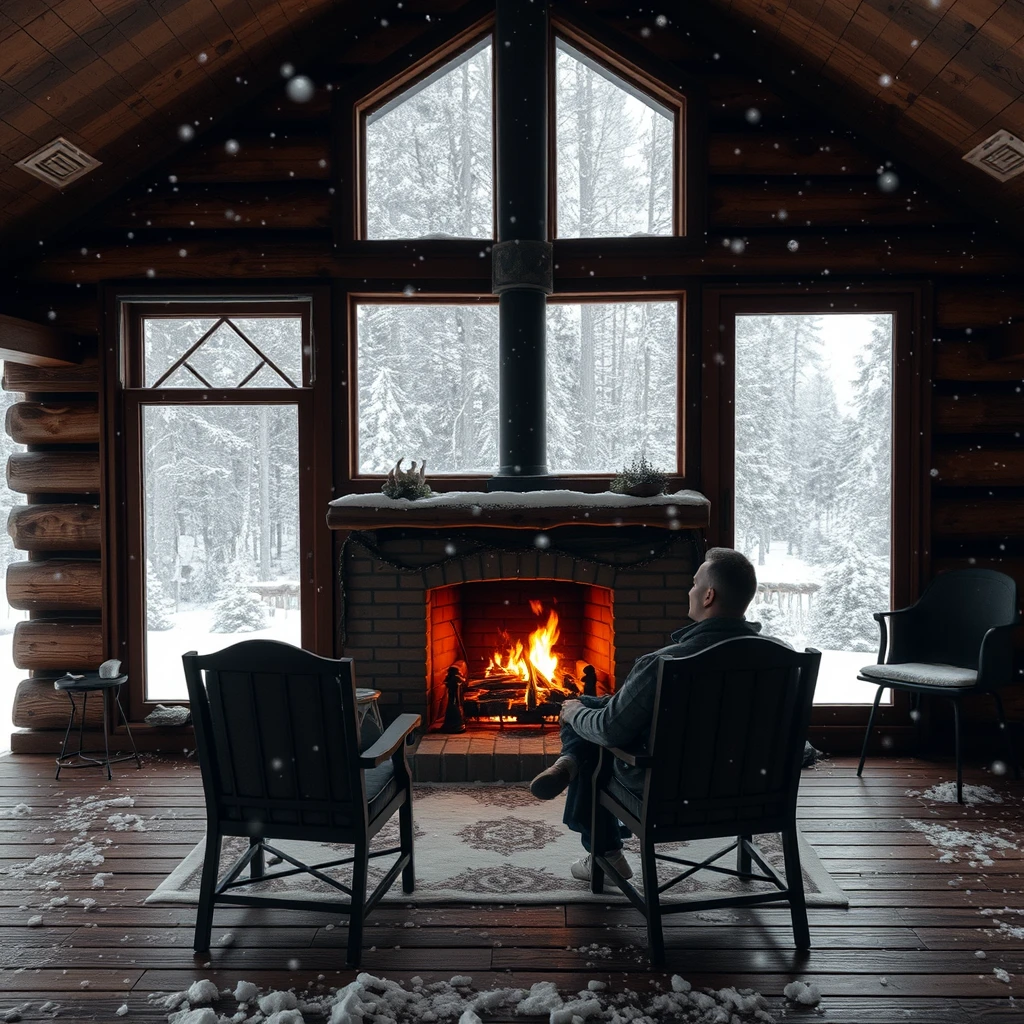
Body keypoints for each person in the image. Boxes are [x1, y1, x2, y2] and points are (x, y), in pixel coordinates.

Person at [529, 547, 762, 881]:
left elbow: (611, 732)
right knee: (596, 706)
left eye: (695, 584)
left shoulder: (665, 664)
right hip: (750, 792)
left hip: (671, 794)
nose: (689, 590)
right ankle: (573, 757)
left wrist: (573, 711)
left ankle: (605, 853)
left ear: (709, 595)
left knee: (593, 742)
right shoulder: (780, 660)